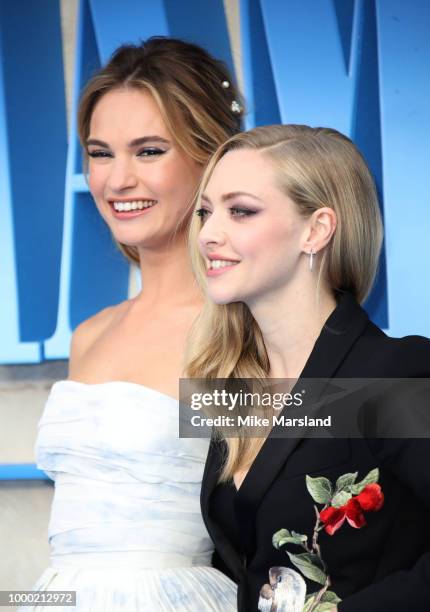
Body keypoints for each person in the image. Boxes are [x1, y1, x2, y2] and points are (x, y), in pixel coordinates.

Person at [23, 37, 243, 611]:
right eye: (100, 153)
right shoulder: (90, 335)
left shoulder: (239, 331)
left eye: (148, 151)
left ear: (210, 157)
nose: (117, 180)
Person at [186, 124, 430, 611]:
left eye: (241, 211)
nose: (208, 234)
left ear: (316, 230)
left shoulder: (395, 372)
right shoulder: (235, 388)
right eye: (205, 212)